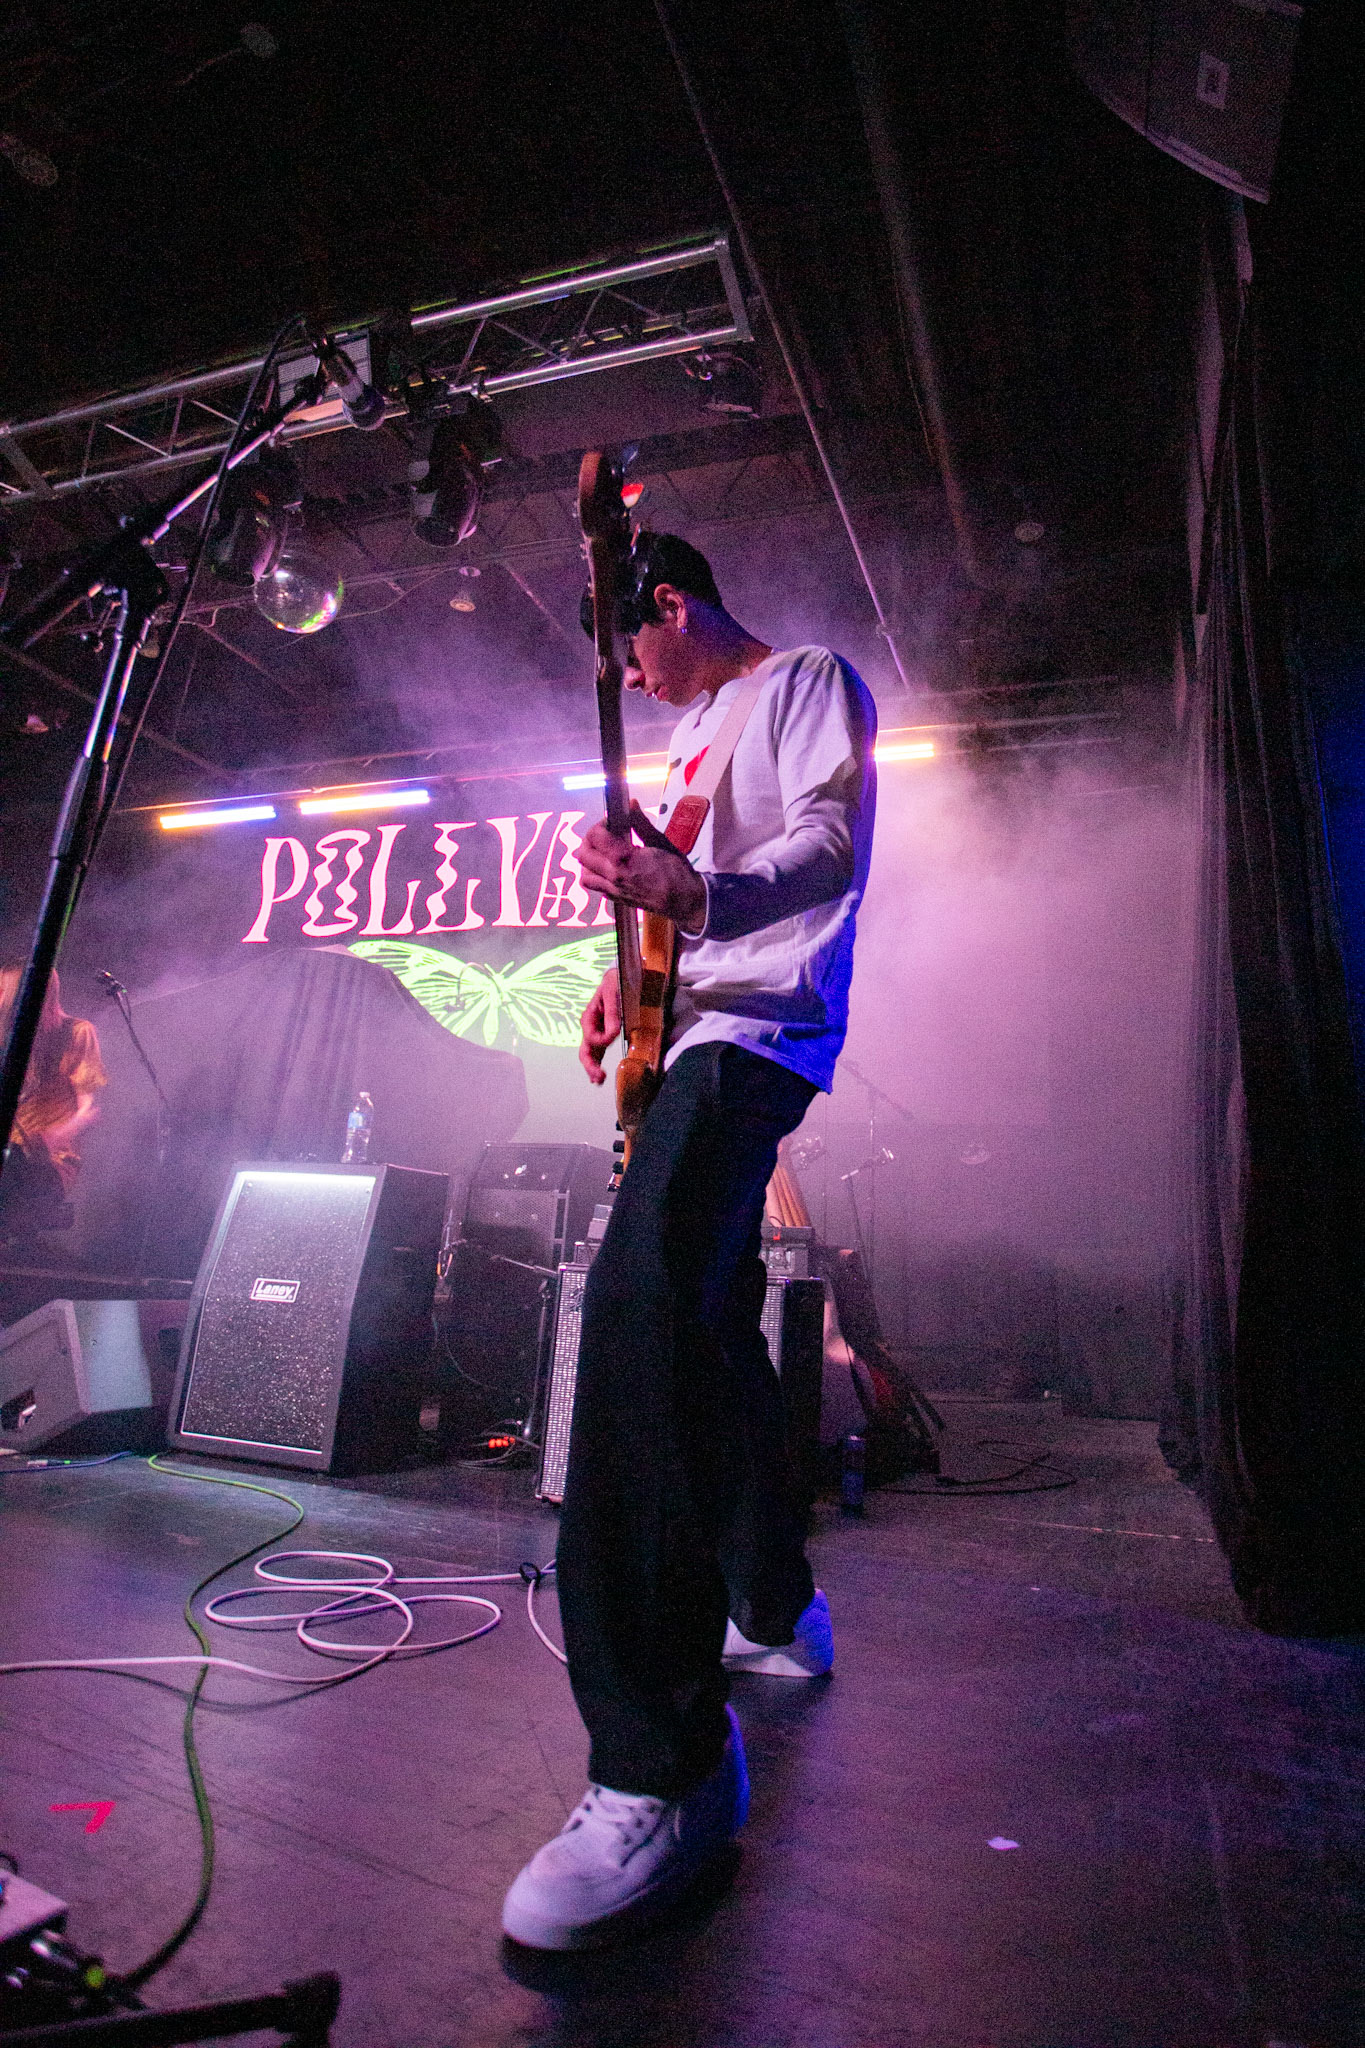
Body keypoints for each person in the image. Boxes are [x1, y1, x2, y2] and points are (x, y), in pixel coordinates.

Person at [501, 533, 877, 1950]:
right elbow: (678, 908)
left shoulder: (803, 680)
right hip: (695, 1032)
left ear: (667, 603)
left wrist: (692, 899)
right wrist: (631, 979)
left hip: (758, 1040)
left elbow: (828, 846)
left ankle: (659, 1761)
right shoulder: (695, 736)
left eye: (631, 650)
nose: (636, 681)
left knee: (639, 1310)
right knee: (708, 1329)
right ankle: (773, 1608)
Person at [0, 965, 107, 1242]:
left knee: (12, 1161)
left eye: (3, 991)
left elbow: (89, 1112)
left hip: (49, 1165)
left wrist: (48, 1140)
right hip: (12, 1159)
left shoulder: (77, 1033)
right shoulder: (10, 1043)